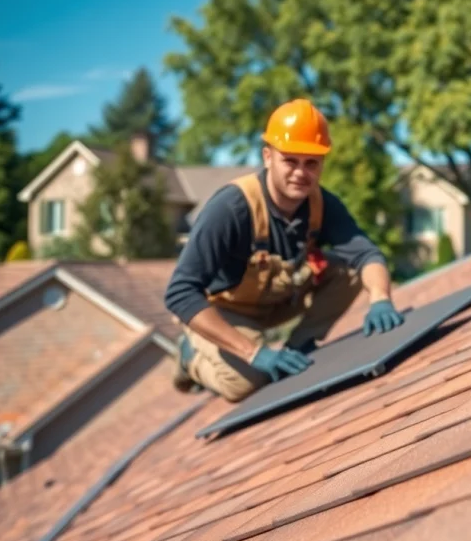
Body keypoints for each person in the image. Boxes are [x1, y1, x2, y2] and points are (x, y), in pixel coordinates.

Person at [164, 98, 405, 401]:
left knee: (351, 272)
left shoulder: (322, 204)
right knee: (246, 383)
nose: (301, 173)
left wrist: (381, 298)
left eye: (311, 163)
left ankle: (299, 348)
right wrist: (254, 354)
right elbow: (179, 293)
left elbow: (367, 254)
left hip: (278, 302)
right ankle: (190, 357)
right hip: (228, 314)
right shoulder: (231, 208)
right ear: (268, 157)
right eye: (290, 160)